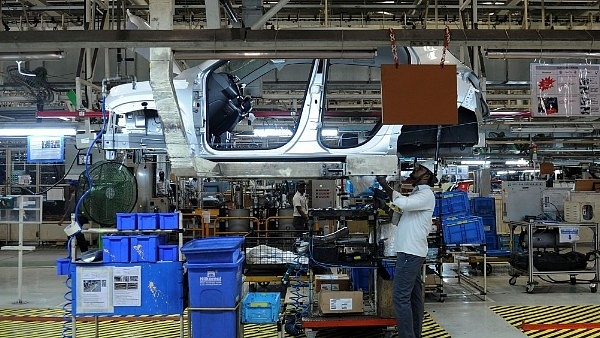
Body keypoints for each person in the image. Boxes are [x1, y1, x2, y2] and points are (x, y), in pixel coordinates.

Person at [376, 160, 437, 338]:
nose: (415, 170)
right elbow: (399, 216)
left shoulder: (426, 195)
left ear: (427, 176)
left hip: (411, 253)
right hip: (411, 252)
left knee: (400, 297)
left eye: (419, 169)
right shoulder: (417, 194)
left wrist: (385, 185)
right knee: (414, 298)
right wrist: (386, 203)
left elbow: (404, 205)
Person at [58, 183, 89, 253]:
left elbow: (70, 209)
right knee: (78, 234)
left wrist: (62, 219)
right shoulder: (82, 195)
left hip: (78, 217)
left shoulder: (74, 196)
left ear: (74, 187)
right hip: (82, 217)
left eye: (71, 186)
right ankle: (84, 251)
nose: (70, 188)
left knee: (72, 233)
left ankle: (73, 253)